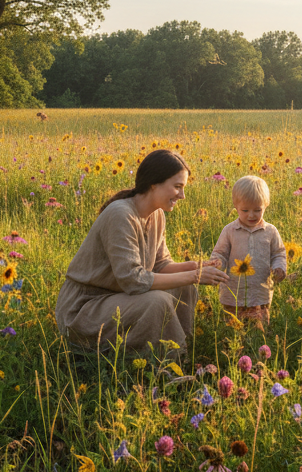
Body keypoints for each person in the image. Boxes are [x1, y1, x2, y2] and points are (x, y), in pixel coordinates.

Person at [56, 149, 229, 358]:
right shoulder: (121, 214)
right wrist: (195, 276)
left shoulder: (156, 215)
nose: (182, 195)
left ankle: (180, 353)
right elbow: (132, 279)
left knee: (184, 287)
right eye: (177, 187)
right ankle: (164, 365)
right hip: (86, 308)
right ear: (154, 183)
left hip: (118, 298)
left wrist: (195, 268)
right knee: (157, 302)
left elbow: (161, 265)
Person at [212, 175, 287, 330]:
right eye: (245, 210)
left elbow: (278, 253)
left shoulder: (271, 231)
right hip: (232, 292)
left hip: (260, 293)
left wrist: (279, 268)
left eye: (257, 210)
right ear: (236, 206)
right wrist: (216, 264)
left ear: (266, 205)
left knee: (258, 330)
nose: (251, 215)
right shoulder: (230, 230)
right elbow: (220, 253)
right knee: (231, 330)